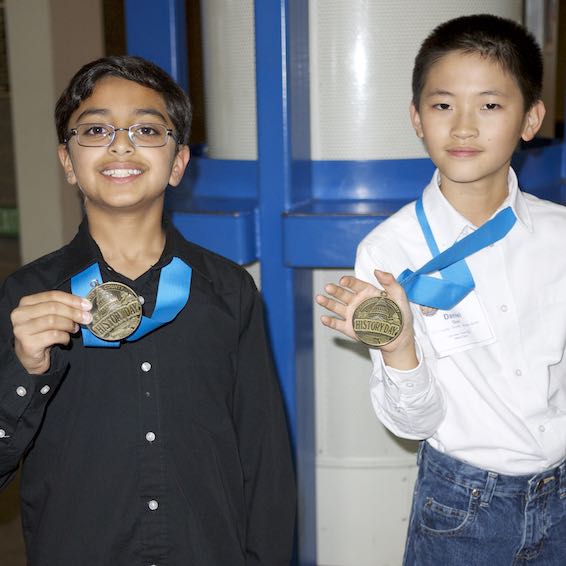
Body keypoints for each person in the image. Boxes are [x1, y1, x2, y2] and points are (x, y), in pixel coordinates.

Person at [0, 55, 295, 565]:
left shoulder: (229, 291)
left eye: (146, 129)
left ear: (178, 162)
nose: (121, 143)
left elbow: (264, 458)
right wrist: (23, 371)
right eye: (94, 129)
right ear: (68, 161)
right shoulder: (27, 299)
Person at [316, 14, 566, 566]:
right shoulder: (389, 253)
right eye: (443, 104)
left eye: (491, 105)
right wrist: (398, 347)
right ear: (416, 117)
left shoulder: (559, 234)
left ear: (531, 119)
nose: (464, 127)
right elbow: (414, 424)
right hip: (465, 509)